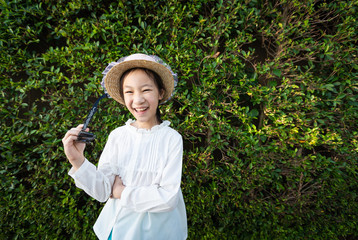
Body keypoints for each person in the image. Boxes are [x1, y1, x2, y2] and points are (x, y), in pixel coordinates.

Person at [62, 53, 188, 240]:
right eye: (129, 92)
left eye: (146, 90)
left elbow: (167, 198)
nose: (138, 100)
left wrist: (122, 192)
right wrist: (77, 160)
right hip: (117, 230)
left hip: (158, 232)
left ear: (160, 92)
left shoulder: (171, 139)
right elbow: (104, 190)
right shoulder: (118, 135)